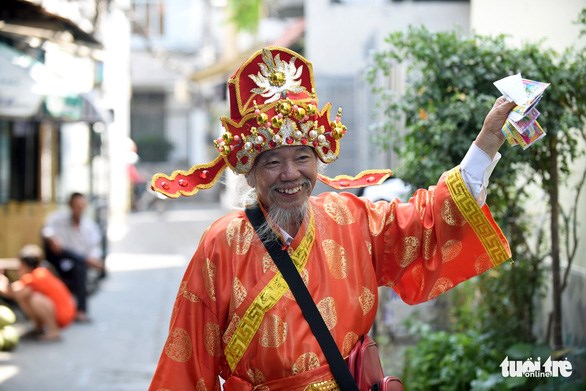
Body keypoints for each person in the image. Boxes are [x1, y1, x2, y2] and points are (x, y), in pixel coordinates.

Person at [148, 47, 515, 390]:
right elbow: (188, 359)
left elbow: (426, 221)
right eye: (273, 161)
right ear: (250, 172)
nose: (291, 174)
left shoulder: (350, 219)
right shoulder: (221, 244)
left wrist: (485, 144)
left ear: (318, 162)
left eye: (302, 158)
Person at [42, 192, 104, 323]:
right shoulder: (58, 219)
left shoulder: (89, 227)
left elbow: (94, 249)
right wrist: (51, 238)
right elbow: (46, 229)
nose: (79, 209)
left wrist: (91, 259)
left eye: (81, 206)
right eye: (76, 206)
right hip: (59, 258)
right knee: (74, 257)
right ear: (70, 206)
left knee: (80, 265)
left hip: (78, 264)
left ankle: (81, 310)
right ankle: (80, 310)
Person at [0, 244, 76, 341]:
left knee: (34, 299)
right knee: (26, 297)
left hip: (62, 315)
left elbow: (13, 292)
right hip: (65, 312)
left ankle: (54, 331)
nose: (18, 268)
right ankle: (39, 328)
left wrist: (2, 280)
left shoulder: (37, 276)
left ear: (26, 265)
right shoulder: (40, 272)